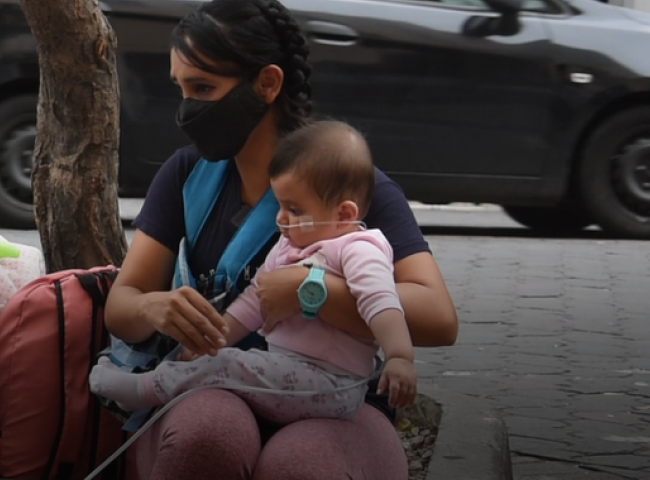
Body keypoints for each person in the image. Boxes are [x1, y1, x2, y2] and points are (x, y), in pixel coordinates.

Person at [103, 0, 458, 480]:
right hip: (218, 387)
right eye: (181, 89)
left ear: (267, 84)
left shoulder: (347, 184)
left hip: (332, 402)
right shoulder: (187, 176)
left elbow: (439, 319)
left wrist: (309, 293)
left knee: (299, 465)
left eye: (203, 89)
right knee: (207, 437)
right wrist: (152, 308)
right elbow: (122, 304)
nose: (187, 109)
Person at [90, 121, 416, 425]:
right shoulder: (290, 246)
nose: (281, 219)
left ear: (344, 213)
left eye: (295, 210)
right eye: (280, 206)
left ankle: (142, 391)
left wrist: (399, 356)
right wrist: (212, 342)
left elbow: (381, 301)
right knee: (221, 363)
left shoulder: (359, 248)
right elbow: (252, 302)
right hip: (292, 372)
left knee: (226, 366)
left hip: (332, 385)